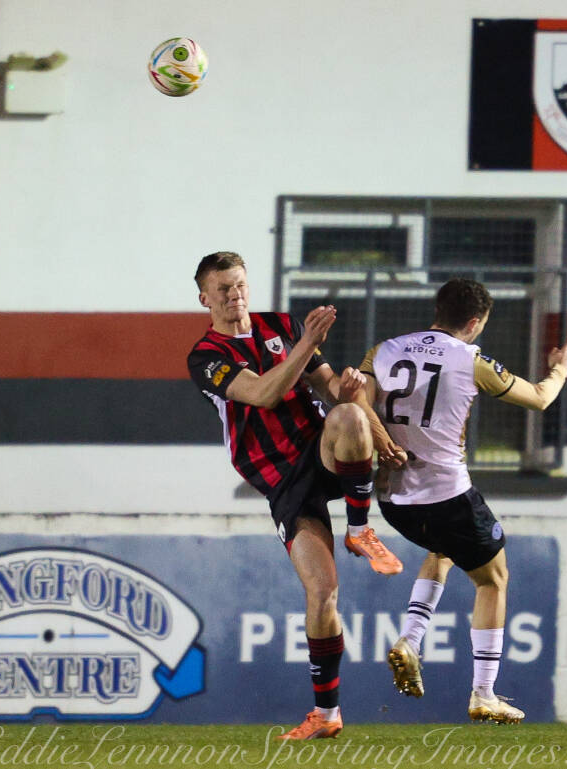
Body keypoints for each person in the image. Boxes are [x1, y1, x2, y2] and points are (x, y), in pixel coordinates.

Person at [187, 251, 402, 740]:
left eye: (239, 284)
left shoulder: (280, 324)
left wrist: (370, 419)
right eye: (222, 288)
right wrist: (305, 343)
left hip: (319, 448)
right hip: (279, 475)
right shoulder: (206, 357)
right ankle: (326, 714)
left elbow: (330, 390)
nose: (234, 294)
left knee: (348, 415)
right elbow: (262, 393)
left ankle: (361, 528)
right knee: (322, 593)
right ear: (205, 298)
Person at [352, 277, 567, 724]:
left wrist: (383, 441)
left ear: (437, 309)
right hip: (446, 493)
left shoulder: (383, 350)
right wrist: (561, 369)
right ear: (475, 322)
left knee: (444, 548)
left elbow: (356, 398)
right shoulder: (470, 358)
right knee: (493, 578)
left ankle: (410, 640)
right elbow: (538, 399)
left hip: (393, 499)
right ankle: (483, 692)